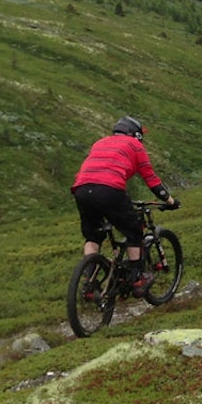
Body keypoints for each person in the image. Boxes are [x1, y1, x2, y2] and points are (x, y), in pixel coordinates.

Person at [71, 116, 177, 296]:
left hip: (82, 189)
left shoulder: (100, 142)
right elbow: (151, 180)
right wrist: (170, 201)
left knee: (93, 236)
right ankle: (137, 278)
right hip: (109, 190)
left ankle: (89, 281)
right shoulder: (135, 146)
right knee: (134, 230)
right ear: (136, 134)